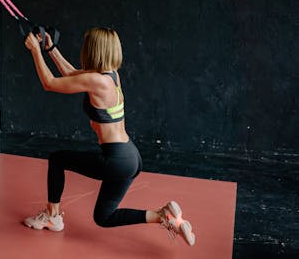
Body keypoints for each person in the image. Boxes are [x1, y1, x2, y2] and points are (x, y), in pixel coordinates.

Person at [22, 27, 195, 246]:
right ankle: (165, 216)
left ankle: (52, 216)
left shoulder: (97, 81)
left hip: (116, 159)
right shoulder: (110, 76)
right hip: (130, 157)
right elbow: (70, 73)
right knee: (104, 217)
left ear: (92, 51)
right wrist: (50, 48)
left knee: (58, 159)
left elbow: (50, 83)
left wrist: (35, 51)